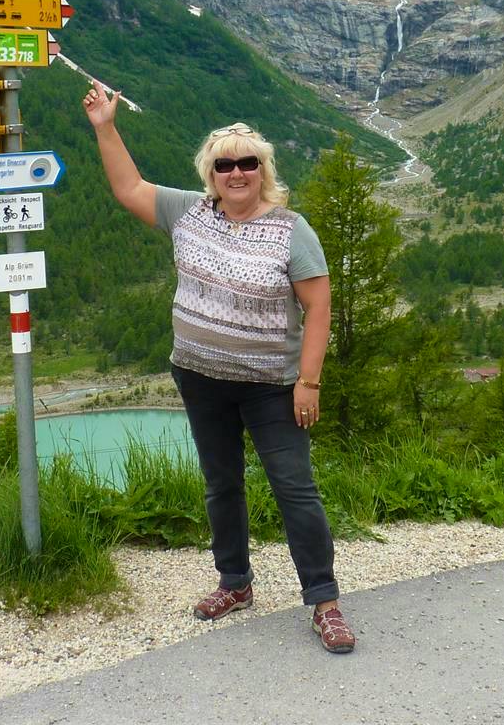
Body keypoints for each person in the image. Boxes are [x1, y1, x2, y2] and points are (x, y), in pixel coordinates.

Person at [82, 80, 356, 655]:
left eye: (248, 163)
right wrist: (106, 126)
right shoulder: (187, 213)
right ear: (211, 173)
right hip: (200, 378)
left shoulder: (290, 229)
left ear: (264, 170)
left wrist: (308, 382)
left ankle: (324, 601)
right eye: (225, 164)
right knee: (221, 484)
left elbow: (319, 306)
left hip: (272, 388)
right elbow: (128, 187)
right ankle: (235, 584)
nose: (237, 173)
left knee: (294, 489)